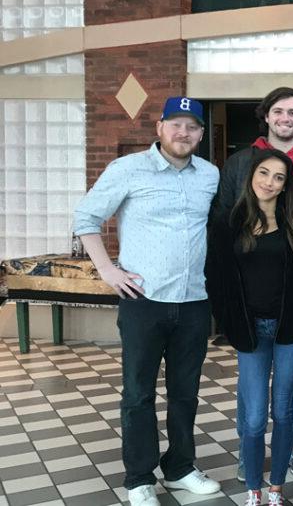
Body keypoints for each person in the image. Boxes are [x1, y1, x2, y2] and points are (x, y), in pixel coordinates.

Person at [73, 97, 220, 506]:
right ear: (160, 127)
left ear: (201, 135)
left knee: (185, 392)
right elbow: (85, 218)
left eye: (192, 127)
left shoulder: (209, 174)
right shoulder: (128, 169)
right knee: (138, 393)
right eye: (176, 124)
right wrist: (108, 270)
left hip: (194, 301)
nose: (183, 133)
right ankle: (139, 478)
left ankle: (180, 468)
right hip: (144, 301)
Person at [211, 86, 293, 478]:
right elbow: (222, 236)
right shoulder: (239, 164)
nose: (286, 119)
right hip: (251, 301)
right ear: (266, 115)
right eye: (279, 111)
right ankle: (247, 452)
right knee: (251, 390)